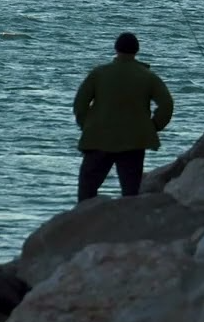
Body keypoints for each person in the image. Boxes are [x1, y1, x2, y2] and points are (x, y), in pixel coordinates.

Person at [73, 32, 173, 201]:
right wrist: (152, 127)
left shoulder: (99, 74)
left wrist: (87, 126)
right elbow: (166, 105)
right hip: (133, 141)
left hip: (98, 138)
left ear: (116, 48)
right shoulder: (148, 76)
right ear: (136, 51)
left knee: (86, 192)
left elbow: (80, 104)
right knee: (130, 195)